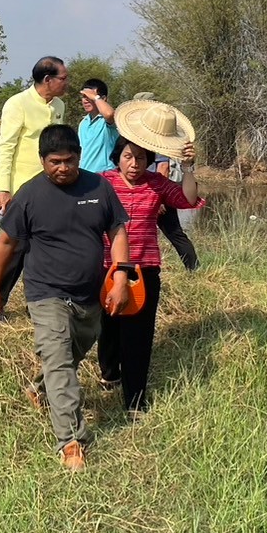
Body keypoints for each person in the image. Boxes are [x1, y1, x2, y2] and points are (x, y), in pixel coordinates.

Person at [0, 123, 132, 471]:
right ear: (41, 160)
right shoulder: (30, 194)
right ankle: (71, 442)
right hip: (45, 293)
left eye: (69, 160)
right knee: (60, 360)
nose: (62, 168)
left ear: (80, 157)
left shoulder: (99, 187)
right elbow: (6, 243)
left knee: (71, 352)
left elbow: (118, 230)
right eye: (54, 161)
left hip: (90, 294)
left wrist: (122, 275)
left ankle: (39, 390)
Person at [98, 100, 201, 415]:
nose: (134, 164)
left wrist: (187, 169)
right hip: (105, 268)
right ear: (118, 157)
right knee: (108, 327)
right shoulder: (103, 182)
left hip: (145, 270)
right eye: (128, 157)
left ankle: (135, 402)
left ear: (149, 160)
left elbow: (187, 199)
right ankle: (109, 373)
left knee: (139, 337)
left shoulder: (157, 184)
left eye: (141, 158)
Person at [0, 56, 69, 316]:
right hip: (23, 189)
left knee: (47, 248)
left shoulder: (59, 105)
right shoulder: (17, 104)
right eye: (63, 78)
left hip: (53, 188)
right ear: (48, 79)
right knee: (16, 249)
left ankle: (39, 305)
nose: (67, 83)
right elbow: (6, 147)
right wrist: (3, 189)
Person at [130, 91, 200, 271]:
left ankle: (194, 268)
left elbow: (163, 168)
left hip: (156, 190)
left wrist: (158, 197)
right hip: (144, 189)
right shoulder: (137, 139)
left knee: (174, 232)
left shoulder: (157, 139)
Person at [76, 77, 118, 172]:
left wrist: (95, 98)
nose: (86, 100)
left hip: (105, 176)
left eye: (89, 97)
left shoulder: (107, 121)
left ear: (103, 99)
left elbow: (109, 113)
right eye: (84, 97)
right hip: (85, 175)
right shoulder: (83, 123)